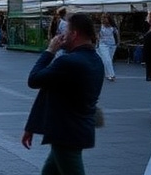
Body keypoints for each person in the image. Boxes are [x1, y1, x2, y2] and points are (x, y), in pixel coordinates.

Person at [22, 13, 104, 175]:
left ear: (74, 34)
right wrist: (31, 126)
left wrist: (50, 51)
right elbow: (50, 92)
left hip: (66, 134)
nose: (61, 36)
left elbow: (34, 79)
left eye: (65, 31)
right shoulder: (96, 60)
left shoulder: (68, 62)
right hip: (77, 131)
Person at [97, 15, 120, 82]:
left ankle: (107, 75)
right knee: (107, 59)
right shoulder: (100, 27)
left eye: (105, 18)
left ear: (109, 19)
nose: (103, 20)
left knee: (108, 60)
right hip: (103, 45)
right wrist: (97, 40)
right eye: (102, 18)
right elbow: (97, 35)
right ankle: (112, 75)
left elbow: (117, 35)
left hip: (112, 45)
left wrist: (118, 42)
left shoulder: (113, 27)